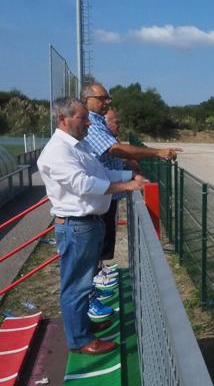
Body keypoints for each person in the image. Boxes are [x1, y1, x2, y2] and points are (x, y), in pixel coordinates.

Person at [37, 97, 146, 355]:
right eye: (82, 118)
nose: (88, 122)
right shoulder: (57, 152)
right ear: (62, 120)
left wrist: (129, 175)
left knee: (85, 282)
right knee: (76, 286)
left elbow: (101, 175)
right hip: (77, 226)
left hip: (88, 224)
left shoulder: (79, 145)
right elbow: (84, 185)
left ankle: (83, 329)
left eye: (87, 117)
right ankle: (80, 340)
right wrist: (127, 186)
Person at [81, 83, 181, 261]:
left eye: (107, 98)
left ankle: (100, 274)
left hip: (107, 192)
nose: (107, 102)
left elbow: (113, 153)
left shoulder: (97, 121)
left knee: (103, 244)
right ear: (86, 99)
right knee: (98, 247)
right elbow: (113, 149)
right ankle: (97, 277)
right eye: (102, 99)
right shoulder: (91, 123)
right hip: (100, 194)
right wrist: (157, 152)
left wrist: (129, 171)